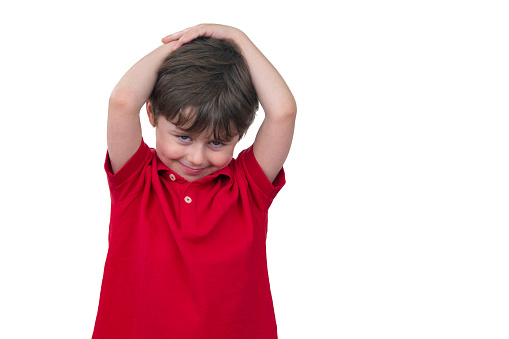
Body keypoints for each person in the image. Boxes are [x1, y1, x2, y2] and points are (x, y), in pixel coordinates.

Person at [92, 24, 297, 339]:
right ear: (152, 113)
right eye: (183, 137)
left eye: (216, 143)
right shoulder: (136, 183)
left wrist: (237, 39)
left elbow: (283, 112)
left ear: (239, 137)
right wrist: (180, 46)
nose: (197, 158)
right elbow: (122, 100)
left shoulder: (247, 190)